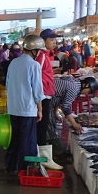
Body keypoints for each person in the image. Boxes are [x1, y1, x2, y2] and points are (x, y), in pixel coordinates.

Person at [5, 34, 45, 174]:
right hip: (27, 110)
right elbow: (37, 91)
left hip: (13, 108)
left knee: (14, 139)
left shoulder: (13, 63)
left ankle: (10, 167)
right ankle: (24, 170)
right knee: (27, 143)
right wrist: (40, 109)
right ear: (35, 50)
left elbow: (7, 85)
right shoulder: (34, 65)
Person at [49, 76, 98, 158]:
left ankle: (53, 151)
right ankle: (57, 154)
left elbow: (59, 96)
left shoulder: (75, 82)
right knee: (50, 128)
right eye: (89, 91)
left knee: (51, 124)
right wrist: (74, 123)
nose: (87, 93)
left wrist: (55, 112)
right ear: (86, 85)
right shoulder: (74, 89)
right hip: (45, 101)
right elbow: (65, 107)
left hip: (48, 100)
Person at [35, 29, 58, 161]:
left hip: (45, 94)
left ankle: (42, 157)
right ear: (43, 41)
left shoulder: (45, 55)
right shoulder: (42, 56)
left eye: (54, 40)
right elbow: (35, 75)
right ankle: (41, 158)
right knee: (41, 127)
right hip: (42, 95)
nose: (54, 42)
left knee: (42, 126)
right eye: (51, 40)